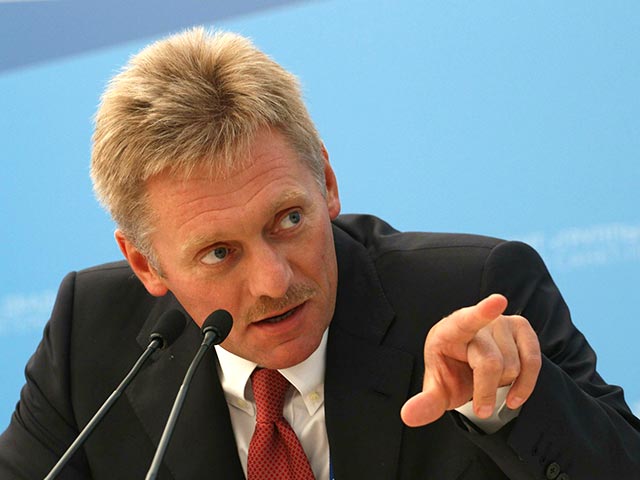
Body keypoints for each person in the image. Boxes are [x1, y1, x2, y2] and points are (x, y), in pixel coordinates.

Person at [1, 27, 639, 480]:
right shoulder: (91, 336)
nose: (274, 280)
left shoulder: (474, 294)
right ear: (146, 263)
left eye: (288, 220)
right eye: (219, 253)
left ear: (327, 184)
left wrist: (505, 407)